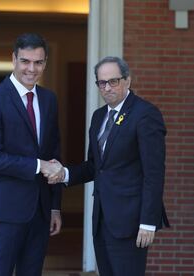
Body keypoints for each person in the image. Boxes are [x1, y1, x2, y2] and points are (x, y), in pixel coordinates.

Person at [45, 56, 169, 276]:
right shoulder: (99, 116)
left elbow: (154, 174)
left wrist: (148, 222)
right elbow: (95, 166)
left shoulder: (145, 114)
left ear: (127, 81)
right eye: (102, 83)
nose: (107, 87)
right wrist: (64, 173)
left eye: (114, 81)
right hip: (102, 219)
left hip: (131, 223)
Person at [0, 33, 63, 276]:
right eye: (25, 61)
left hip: (41, 210)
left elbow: (54, 153)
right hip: (4, 209)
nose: (31, 69)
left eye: (38, 62)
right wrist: (38, 166)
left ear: (45, 63)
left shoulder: (49, 100)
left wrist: (55, 207)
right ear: (13, 59)